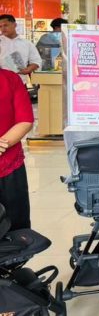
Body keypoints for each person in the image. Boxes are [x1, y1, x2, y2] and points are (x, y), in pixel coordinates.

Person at [0, 67, 34, 232]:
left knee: (16, 229)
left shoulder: (10, 79)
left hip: (9, 168)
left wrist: (2, 144)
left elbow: (25, 120)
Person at [0, 14, 42, 84]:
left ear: (15, 25)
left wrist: (28, 69)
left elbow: (36, 61)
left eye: (5, 25)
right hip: (2, 83)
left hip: (20, 82)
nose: (3, 28)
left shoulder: (27, 43)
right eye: (0, 26)